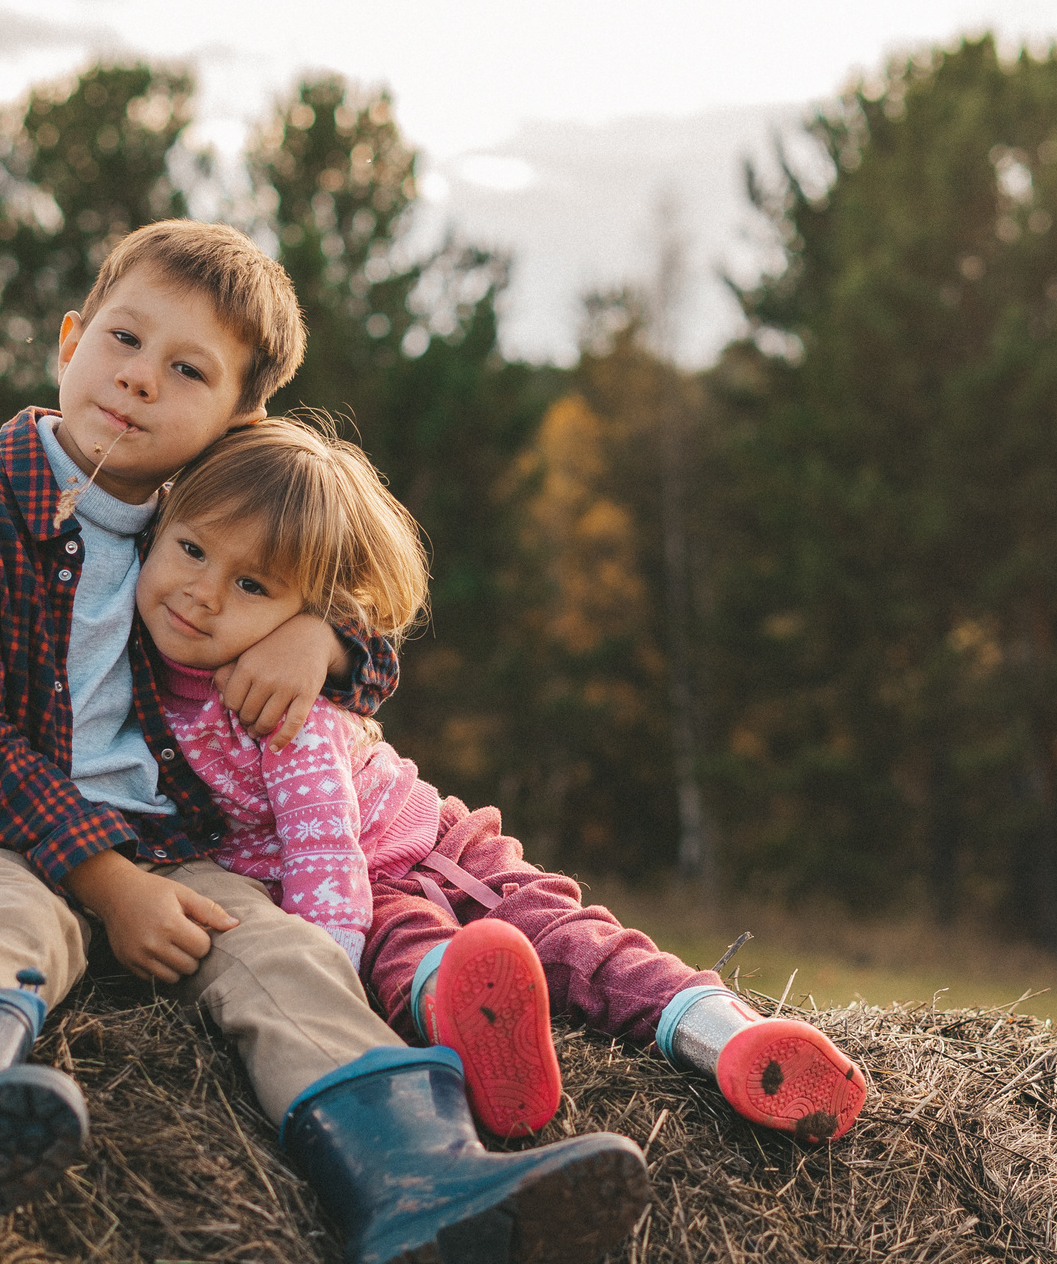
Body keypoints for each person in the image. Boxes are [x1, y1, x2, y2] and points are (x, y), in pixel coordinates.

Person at [0, 221, 650, 1264]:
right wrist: (107, 885)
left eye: (187, 370)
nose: (139, 378)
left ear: (235, 425)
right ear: (69, 341)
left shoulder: (198, 522)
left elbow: (350, 602)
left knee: (283, 952)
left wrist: (325, 641)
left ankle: (413, 1179)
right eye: (123, 339)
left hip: (168, 848)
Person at [136, 416, 869, 1153]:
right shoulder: (126, 665)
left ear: (304, 606)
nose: (203, 593)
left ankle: (731, 1037)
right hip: (371, 890)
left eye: (251, 585)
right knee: (418, 959)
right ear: (159, 525)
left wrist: (326, 971)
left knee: (570, 940)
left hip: (426, 848)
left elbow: (324, 854)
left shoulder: (277, 696)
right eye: (193, 550)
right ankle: (488, 1043)